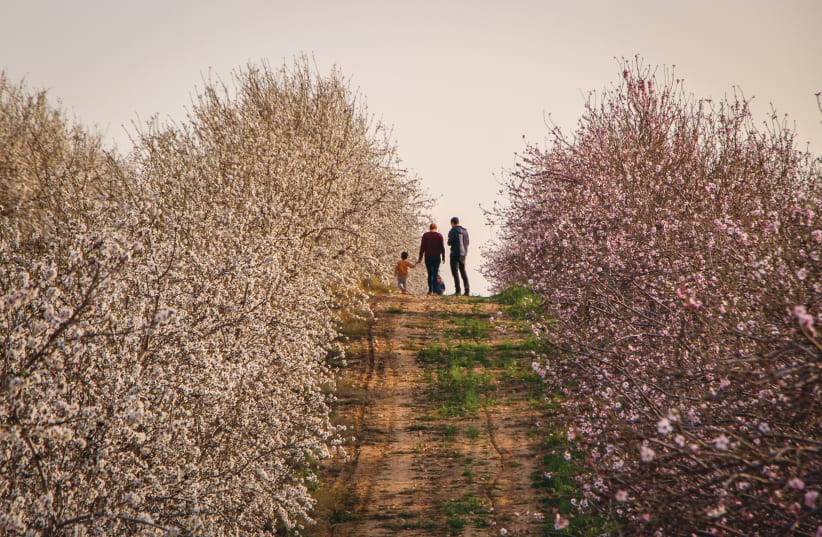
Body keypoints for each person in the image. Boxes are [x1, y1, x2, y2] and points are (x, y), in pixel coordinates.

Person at [417, 223, 446, 295]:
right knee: (435, 273)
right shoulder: (439, 236)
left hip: (428, 257)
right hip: (436, 257)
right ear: (436, 228)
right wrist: (443, 257)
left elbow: (422, 247)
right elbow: (442, 247)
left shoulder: (425, 235)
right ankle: (436, 290)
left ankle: (430, 290)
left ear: (430, 228)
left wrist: (420, 258)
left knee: (430, 274)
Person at [447, 216, 470, 295]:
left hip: (455, 253)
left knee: (455, 272)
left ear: (452, 223)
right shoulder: (465, 231)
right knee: (463, 271)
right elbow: (467, 242)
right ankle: (467, 290)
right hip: (463, 254)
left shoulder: (453, 230)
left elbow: (450, 242)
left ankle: (458, 290)